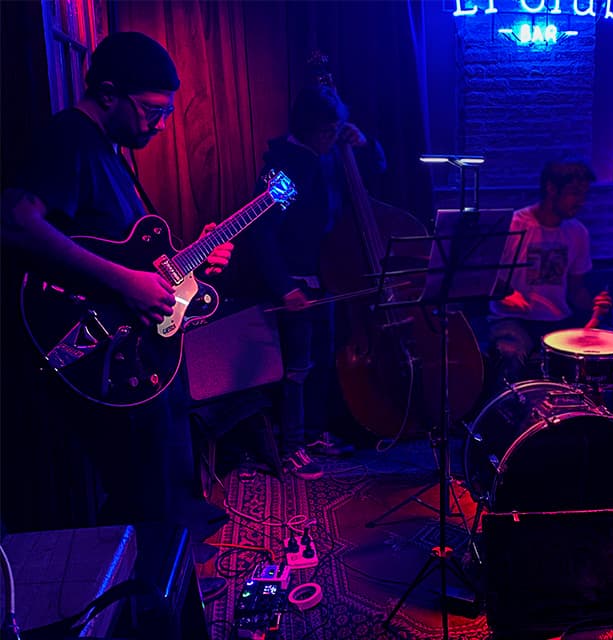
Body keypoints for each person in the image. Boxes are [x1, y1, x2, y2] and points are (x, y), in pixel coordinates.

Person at [0, 32, 233, 541]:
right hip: (89, 346)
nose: (162, 123)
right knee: (140, 494)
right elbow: (16, 221)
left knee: (159, 480)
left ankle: (171, 590)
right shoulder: (69, 138)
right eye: (152, 110)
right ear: (108, 93)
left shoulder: (107, 149)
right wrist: (126, 283)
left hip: (129, 347)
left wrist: (194, 257)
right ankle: (147, 608)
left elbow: (124, 250)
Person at [244, 85, 386, 480]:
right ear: (308, 128)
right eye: (328, 131)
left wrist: (364, 144)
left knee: (322, 359)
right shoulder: (286, 170)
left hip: (328, 275)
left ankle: (312, 432)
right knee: (297, 367)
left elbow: (378, 171)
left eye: (336, 130)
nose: (332, 138)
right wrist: (284, 286)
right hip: (296, 279)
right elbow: (263, 233)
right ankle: (291, 446)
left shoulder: (324, 156)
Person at [487, 159, 612, 390]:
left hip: (556, 321)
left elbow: (576, 290)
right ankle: (504, 420)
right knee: (510, 353)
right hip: (511, 319)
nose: (581, 201)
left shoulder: (577, 233)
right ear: (551, 188)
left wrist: (596, 304)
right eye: (574, 193)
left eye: (584, 194)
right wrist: (505, 294)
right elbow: (483, 277)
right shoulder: (513, 225)